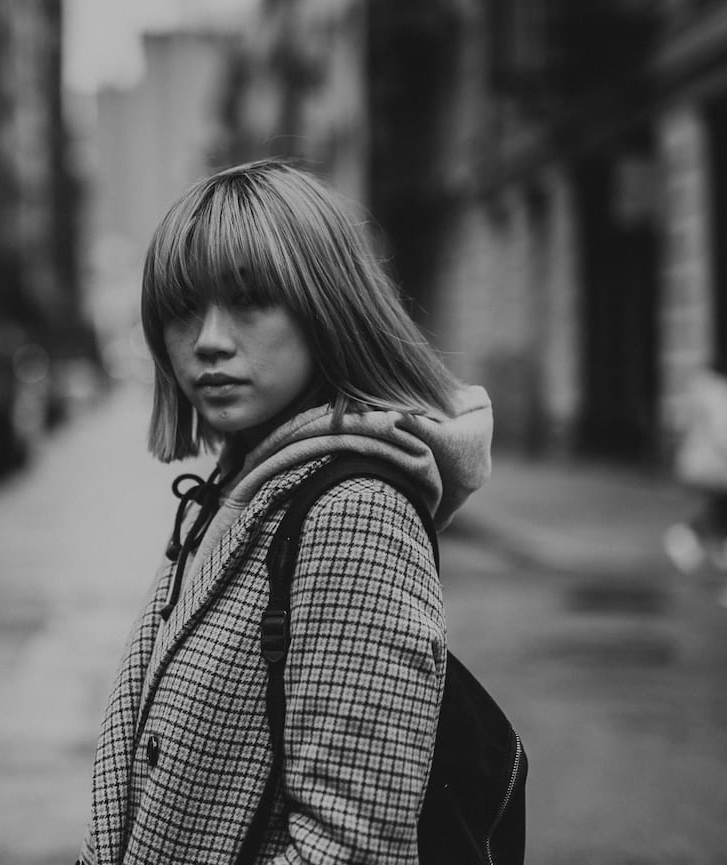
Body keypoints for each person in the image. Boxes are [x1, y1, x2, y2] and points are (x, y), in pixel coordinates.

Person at [77, 160, 493, 865]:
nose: (208, 339)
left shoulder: (354, 512)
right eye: (183, 308)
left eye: (250, 301)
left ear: (326, 309)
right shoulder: (240, 482)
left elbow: (350, 849)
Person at [664, 365, 727, 573]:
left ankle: (717, 546)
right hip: (716, 462)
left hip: (698, 459)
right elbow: (725, 431)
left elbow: (683, 424)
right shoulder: (724, 394)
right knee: (726, 503)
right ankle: (695, 539)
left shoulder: (699, 391)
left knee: (719, 505)